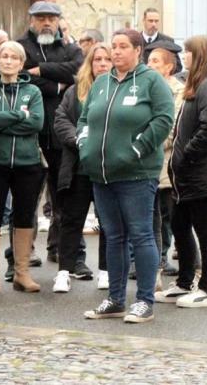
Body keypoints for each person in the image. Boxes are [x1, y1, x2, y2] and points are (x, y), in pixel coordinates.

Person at [79, 29, 174, 323]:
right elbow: (85, 119)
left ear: (137, 50)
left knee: (141, 235)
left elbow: (163, 120)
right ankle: (116, 299)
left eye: (122, 47)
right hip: (101, 174)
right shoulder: (102, 84)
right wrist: (84, 144)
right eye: (113, 47)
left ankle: (144, 300)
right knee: (114, 236)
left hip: (136, 173)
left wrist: (136, 150)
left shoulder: (151, 82)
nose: (116, 52)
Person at [155, 35, 207, 308]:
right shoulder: (196, 85)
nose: (184, 56)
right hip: (189, 174)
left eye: (188, 52)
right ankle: (184, 282)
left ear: (200, 56)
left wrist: (187, 155)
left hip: (204, 172)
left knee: (205, 229)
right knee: (179, 225)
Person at [0, 41, 45, 294]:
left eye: (13, 57)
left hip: (28, 163)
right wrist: (20, 116)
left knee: (24, 215)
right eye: (4, 56)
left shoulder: (33, 92)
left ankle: (22, 272)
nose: (7, 60)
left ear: (21, 63)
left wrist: (2, 120)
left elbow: (37, 123)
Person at [17, 1, 83, 264]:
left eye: (52, 18)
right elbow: (22, 76)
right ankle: (23, 254)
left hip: (59, 133)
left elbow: (78, 70)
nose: (47, 23)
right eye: (41, 18)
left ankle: (60, 248)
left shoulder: (69, 47)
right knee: (28, 198)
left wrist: (41, 70)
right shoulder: (21, 47)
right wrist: (59, 85)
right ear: (32, 20)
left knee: (62, 195)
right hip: (31, 133)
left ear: (58, 21)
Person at [53, 43, 112, 293]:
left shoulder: (119, 89)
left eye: (107, 59)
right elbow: (61, 119)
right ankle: (64, 271)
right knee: (71, 221)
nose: (102, 63)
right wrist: (78, 139)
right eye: (97, 59)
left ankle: (106, 272)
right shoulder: (76, 91)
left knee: (107, 224)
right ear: (90, 63)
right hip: (78, 168)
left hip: (107, 169)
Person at [146, 46, 185, 280]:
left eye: (156, 61)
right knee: (150, 215)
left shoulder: (178, 90)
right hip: (146, 161)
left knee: (169, 214)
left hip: (167, 162)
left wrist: (145, 143)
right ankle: (152, 260)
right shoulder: (144, 87)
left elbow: (173, 127)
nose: (150, 65)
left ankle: (164, 258)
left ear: (169, 67)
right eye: (148, 60)